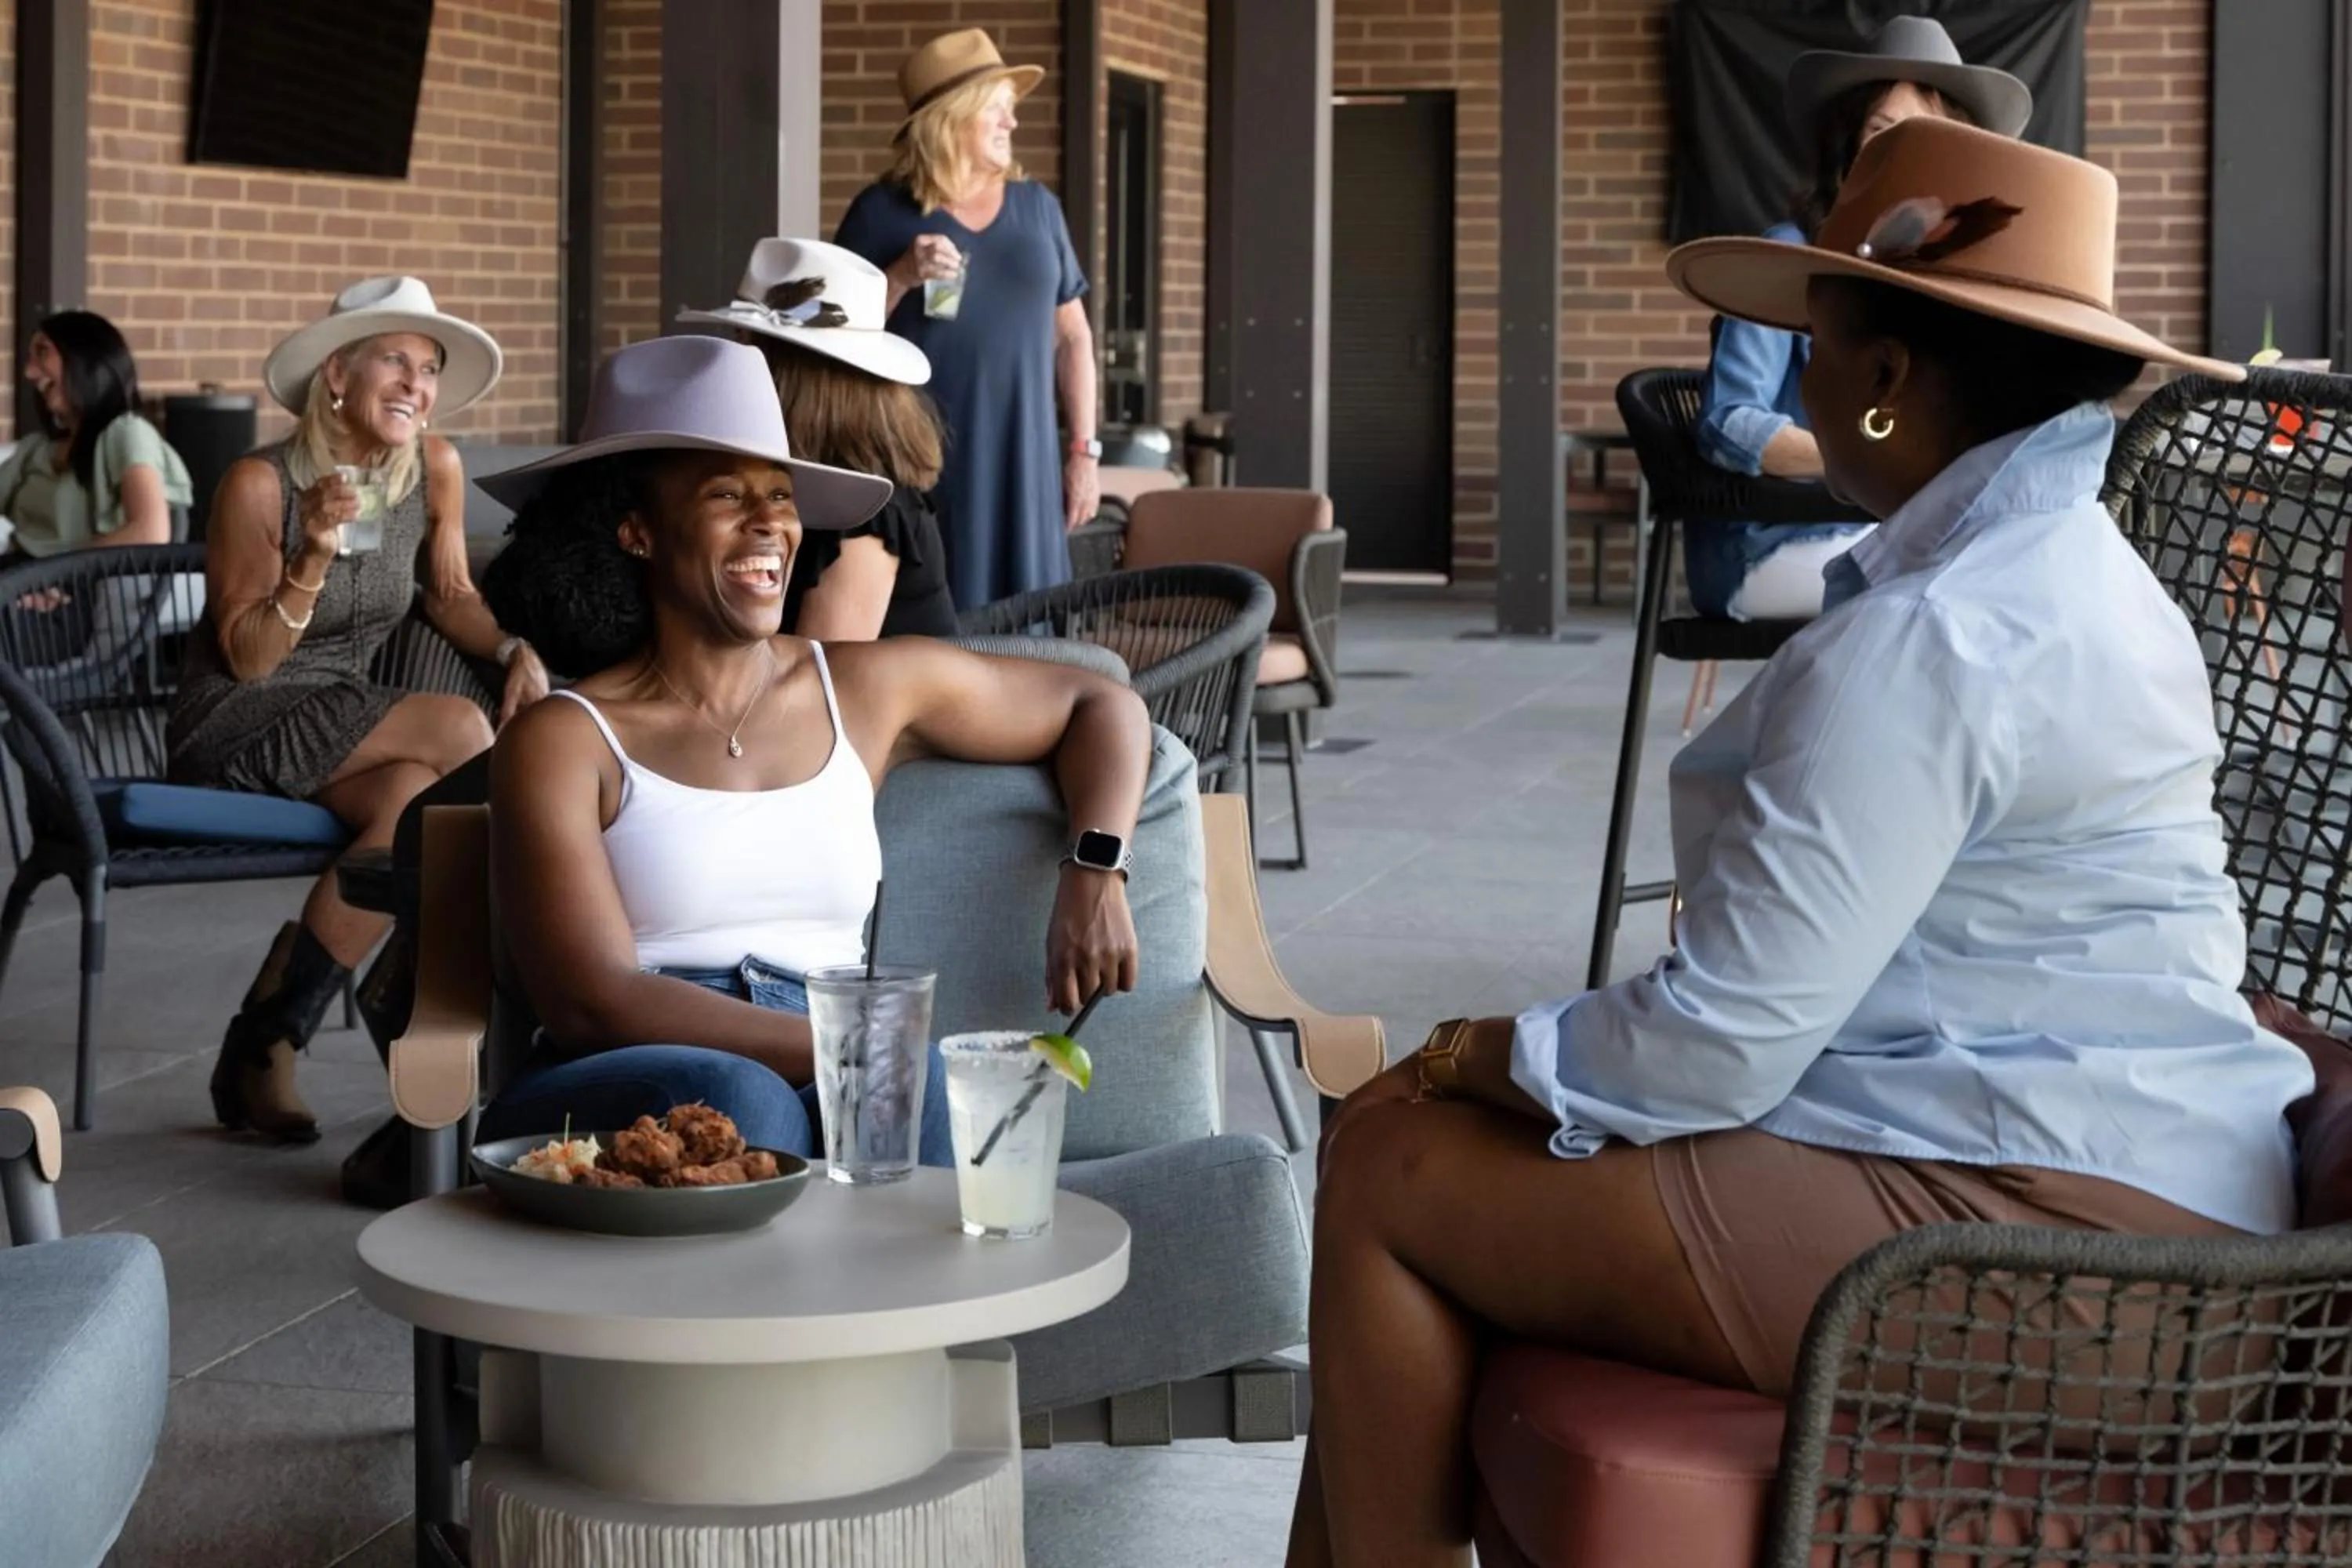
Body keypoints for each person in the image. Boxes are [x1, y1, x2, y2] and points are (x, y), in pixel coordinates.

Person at [1287, 118, 2315, 1567]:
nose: (1798, 375)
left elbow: (1716, 1047)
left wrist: (1461, 1052)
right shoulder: (2070, 572)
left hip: (2081, 1271)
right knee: (1432, 1150)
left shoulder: (1941, 635)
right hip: (2140, 1214)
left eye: (1814, 342)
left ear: (1887, 380)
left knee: (1388, 1172)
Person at [476, 335, 1149, 1158]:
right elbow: (592, 1002)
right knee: (750, 1093)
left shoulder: (862, 690)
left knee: (905, 1085)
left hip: (835, 1036)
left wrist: (1095, 868)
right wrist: (849, 1040)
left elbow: (1100, 702)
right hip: (625, 1068)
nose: (770, 523)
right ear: (637, 531)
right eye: (727, 495)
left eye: (781, 495)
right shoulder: (565, 737)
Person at [166, 276, 550, 1145]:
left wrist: (511, 650)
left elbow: (449, 596)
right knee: (462, 738)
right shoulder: (259, 485)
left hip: (347, 717)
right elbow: (248, 659)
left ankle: (268, 1039)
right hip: (239, 717)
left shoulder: (433, 468)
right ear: (337, 374)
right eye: (395, 361)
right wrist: (310, 552)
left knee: (412, 800)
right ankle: (425, 1004)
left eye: (430, 367)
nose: (417, 383)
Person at [1688, 16, 2030, 620]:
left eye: (1929, 132)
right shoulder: (1792, 255)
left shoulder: (1941, 281)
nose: (1905, 148)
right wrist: (1866, 462)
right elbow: (1728, 424)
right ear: (1850, 147)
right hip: (1770, 546)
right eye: (1882, 130)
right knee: (1959, 599)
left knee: (2023, 577)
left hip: (1889, 531)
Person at [836, 27, 1098, 610]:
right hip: (927, 468)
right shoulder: (879, 214)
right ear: (951, 118)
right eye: (996, 109)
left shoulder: (1039, 210)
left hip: (1027, 466)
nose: (1012, 122)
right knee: (941, 627)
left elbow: (1073, 339)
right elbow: (836, 341)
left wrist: (1084, 452)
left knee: (1034, 635)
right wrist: (901, 274)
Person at [676, 237, 960, 640]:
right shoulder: (804, 479)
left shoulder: (868, 511)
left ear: (789, 372)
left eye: (747, 340)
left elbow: (822, 670)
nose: (737, 353)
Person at [0, 310, 192, 564]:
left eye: (43, 352)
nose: (29, 372)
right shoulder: (37, 448)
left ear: (85, 357)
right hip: (18, 574)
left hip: (65, 581)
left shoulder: (126, 432)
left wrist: (61, 576)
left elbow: (150, 531)